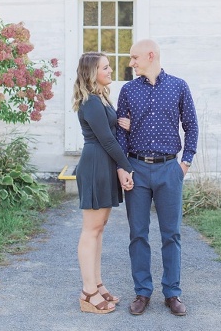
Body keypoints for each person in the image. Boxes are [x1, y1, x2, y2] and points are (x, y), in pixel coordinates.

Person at [116, 39, 198, 317]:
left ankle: (172, 293)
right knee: (138, 233)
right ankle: (142, 292)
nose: (131, 63)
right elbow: (120, 134)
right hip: (136, 169)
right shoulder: (127, 91)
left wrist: (184, 164)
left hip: (169, 170)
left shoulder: (178, 86)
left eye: (134, 57)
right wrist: (122, 168)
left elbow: (192, 127)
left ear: (150, 56)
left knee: (171, 234)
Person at [72, 52, 135, 314]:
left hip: (104, 163)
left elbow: (113, 133)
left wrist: (125, 125)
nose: (111, 71)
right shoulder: (92, 103)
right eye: (105, 68)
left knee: (99, 227)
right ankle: (88, 293)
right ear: (92, 73)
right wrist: (127, 166)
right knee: (91, 229)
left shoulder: (101, 98)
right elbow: (107, 140)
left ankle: (97, 284)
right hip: (96, 163)